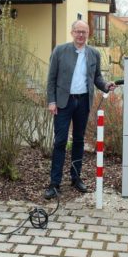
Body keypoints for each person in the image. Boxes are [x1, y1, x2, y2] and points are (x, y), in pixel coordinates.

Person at [44, 20, 115, 199]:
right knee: (60, 141)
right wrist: (51, 101)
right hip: (63, 102)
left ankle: (75, 178)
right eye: (78, 31)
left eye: (84, 32)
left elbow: (97, 77)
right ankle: (54, 183)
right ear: (72, 32)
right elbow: (51, 78)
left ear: (88, 33)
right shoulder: (60, 51)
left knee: (78, 141)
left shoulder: (94, 54)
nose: (81, 35)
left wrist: (106, 85)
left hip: (83, 101)